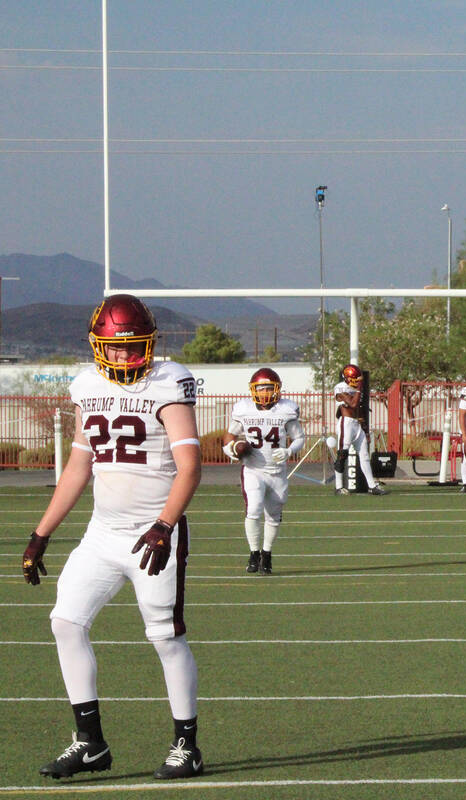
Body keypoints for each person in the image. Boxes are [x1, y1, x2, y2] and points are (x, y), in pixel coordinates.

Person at [20, 294, 205, 780]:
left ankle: (186, 745)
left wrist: (165, 524)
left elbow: (190, 466)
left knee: (165, 637)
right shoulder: (86, 384)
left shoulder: (168, 381)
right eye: (114, 347)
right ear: (97, 345)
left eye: (132, 347)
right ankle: (90, 742)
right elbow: (80, 466)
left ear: (150, 343)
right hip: (102, 532)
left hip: (152, 533)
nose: (123, 356)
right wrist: (42, 533)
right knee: (66, 621)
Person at [222, 367, 306, 574]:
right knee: (253, 509)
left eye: (269, 388)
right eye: (261, 389)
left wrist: (289, 451)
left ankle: (267, 554)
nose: (265, 393)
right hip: (253, 469)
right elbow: (228, 438)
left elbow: (299, 438)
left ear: (277, 389)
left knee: (274, 515)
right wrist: (233, 451)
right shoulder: (243, 409)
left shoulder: (286, 409)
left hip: (277, 471)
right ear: (253, 390)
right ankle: (253, 553)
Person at [331, 364, 385, 496]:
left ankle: (372, 486)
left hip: (356, 424)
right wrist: (359, 389)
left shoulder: (353, 389)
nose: (357, 382)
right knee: (342, 455)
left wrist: (365, 428)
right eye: (354, 379)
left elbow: (359, 409)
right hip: (346, 423)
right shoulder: (340, 387)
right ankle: (338, 487)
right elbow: (353, 403)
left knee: (364, 456)